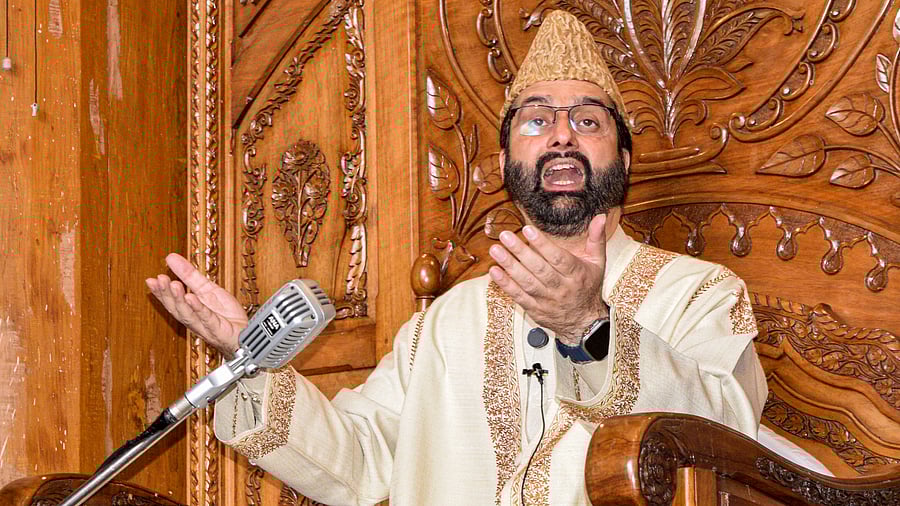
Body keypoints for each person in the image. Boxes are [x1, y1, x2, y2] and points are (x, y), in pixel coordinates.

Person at [147, 10, 767, 505]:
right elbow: (361, 460)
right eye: (535, 121)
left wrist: (588, 327)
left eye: (586, 119)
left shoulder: (698, 293)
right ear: (504, 168)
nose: (560, 133)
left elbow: (731, 446)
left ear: (624, 161)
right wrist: (248, 360)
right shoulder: (444, 325)